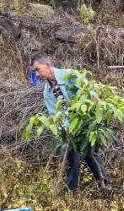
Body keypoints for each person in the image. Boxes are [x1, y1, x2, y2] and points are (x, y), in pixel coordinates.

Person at [30, 55, 110, 193]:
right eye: (34, 72)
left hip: (86, 123)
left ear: (47, 65)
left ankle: (101, 185)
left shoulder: (70, 76)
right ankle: (73, 189)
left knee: (90, 154)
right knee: (74, 158)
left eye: (38, 69)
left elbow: (89, 93)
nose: (37, 74)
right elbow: (55, 115)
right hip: (70, 129)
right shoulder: (47, 92)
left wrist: (87, 119)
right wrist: (65, 131)